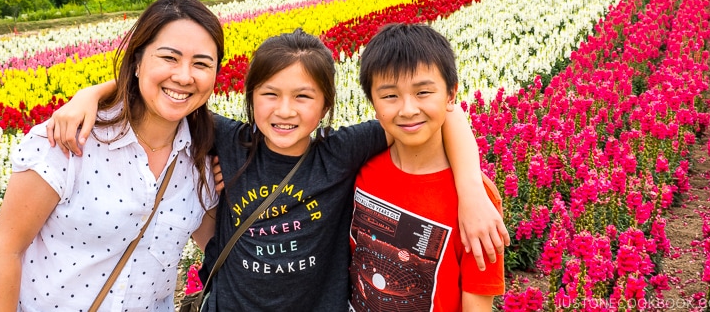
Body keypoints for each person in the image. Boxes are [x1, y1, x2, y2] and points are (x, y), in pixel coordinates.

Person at [48, 29, 509, 311]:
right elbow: (163, 90)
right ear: (249, 99)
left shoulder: (341, 152)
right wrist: (91, 94)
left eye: (304, 97)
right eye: (270, 94)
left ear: (327, 104)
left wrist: (469, 187)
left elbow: (436, 112)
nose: (285, 111)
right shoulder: (228, 139)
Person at [0, 0, 223, 311]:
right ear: (137, 61)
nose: (184, 76)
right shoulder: (67, 140)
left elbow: (222, 251)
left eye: (202, 64)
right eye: (169, 58)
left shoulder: (202, 159)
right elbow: (5, 249)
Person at [350, 22, 505, 311]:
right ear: (372, 101)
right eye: (389, 96)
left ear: (451, 94)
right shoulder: (360, 168)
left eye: (423, 92)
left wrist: (471, 189)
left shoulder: (476, 203)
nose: (408, 109)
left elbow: (477, 302)